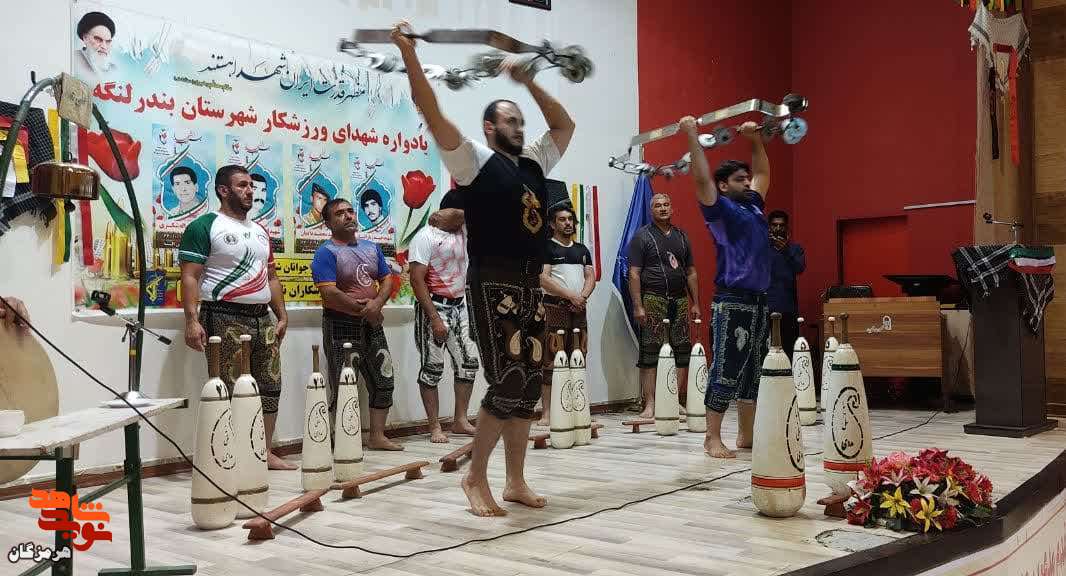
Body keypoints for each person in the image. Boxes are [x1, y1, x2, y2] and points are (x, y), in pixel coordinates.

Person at [392, 20, 575, 516]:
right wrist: (408, 54)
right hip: (492, 282)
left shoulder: (535, 163)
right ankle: (474, 478)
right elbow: (431, 110)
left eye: (520, 121)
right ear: (490, 128)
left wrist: (529, 82)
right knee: (508, 380)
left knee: (528, 386)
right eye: (509, 121)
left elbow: (564, 126)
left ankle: (515, 481)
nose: (519, 127)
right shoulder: (473, 160)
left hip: (529, 283)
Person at [178, 164, 295, 470]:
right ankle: (231, 456)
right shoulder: (205, 226)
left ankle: (263, 452)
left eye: (251, 186)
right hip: (223, 316)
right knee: (229, 388)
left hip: (262, 318)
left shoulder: (260, 231)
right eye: (242, 185)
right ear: (223, 190)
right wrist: (191, 321)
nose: (249, 191)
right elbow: (189, 276)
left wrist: (281, 315)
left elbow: (271, 277)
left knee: (270, 385)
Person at [679, 115, 771, 459]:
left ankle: (746, 435)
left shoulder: (753, 205)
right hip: (732, 302)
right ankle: (712, 437)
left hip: (759, 300)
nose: (747, 182)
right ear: (722, 185)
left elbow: (763, 174)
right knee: (726, 369)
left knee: (753, 372)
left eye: (746, 178)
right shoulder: (720, 211)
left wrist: (755, 140)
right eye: (738, 179)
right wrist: (692, 135)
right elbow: (701, 178)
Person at [311, 198, 403, 451]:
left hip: (372, 324)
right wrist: (365, 310)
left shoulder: (372, 248)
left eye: (350, 211)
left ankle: (377, 436)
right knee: (344, 384)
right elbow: (329, 293)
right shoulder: (325, 252)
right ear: (328, 223)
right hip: (340, 324)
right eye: (340, 213)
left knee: (384, 380)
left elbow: (387, 280)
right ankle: (344, 440)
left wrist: (376, 305)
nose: (348, 216)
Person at [408, 190, 480, 443]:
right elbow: (416, 280)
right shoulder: (425, 237)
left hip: (460, 306)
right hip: (434, 307)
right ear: (447, 212)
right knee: (432, 368)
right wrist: (434, 319)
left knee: (469, 363)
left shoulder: (463, 232)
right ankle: (434, 427)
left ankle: (460, 420)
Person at [626, 193, 699, 420]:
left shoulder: (682, 237)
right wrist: (638, 306)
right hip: (653, 299)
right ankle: (650, 404)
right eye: (658, 205)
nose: (663, 208)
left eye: (666, 204)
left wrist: (696, 303)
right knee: (650, 353)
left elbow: (691, 272)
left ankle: (673, 400)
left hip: (680, 300)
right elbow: (634, 273)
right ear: (652, 211)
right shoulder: (642, 236)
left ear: (672, 208)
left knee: (682, 351)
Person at [538, 202, 595, 427]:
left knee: (579, 356)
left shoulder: (582, 250)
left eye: (570, 219)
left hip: (579, 308)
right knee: (552, 360)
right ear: (552, 224)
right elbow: (543, 279)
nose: (568, 223)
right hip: (555, 308)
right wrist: (571, 296)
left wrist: (582, 297)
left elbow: (590, 276)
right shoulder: (546, 248)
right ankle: (547, 413)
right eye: (562, 220)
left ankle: (576, 408)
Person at [767, 210, 806, 358]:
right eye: (774, 225)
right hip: (765, 307)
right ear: (769, 227)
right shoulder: (762, 249)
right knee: (766, 351)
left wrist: (786, 251)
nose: (778, 228)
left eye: (781, 225)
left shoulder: (795, 249)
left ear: (786, 227)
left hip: (788, 308)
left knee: (788, 350)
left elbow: (800, 268)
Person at [73, 11, 115, 80]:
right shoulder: (74, 59)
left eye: (107, 42)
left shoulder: (113, 69)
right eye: (98, 39)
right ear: (85, 38)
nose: (104, 46)